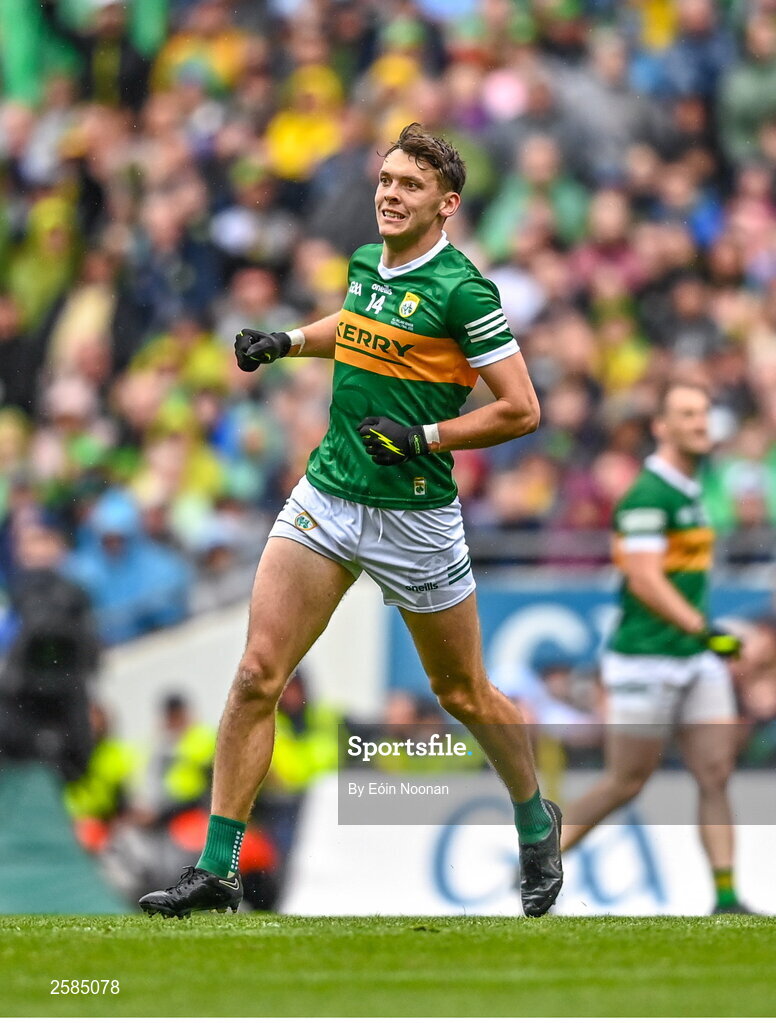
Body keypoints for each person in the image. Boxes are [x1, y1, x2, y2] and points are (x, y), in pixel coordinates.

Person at [139, 123, 562, 919]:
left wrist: (425, 436)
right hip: (328, 495)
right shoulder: (368, 263)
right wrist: (289, 340)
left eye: (410, 185)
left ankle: (535, 819)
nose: (391, 193)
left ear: (448, 205)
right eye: (387, 179)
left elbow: (522, 408)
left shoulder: (466, 291)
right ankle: (217, 867)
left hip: (416, 517)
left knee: (464, 693)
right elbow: (357, 326)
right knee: (257, 672)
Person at [559, 382, 752, 914]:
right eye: (687, 415)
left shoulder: (692, 488)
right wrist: (703, 628)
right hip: (646, 658)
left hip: (694, 658)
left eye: (705, 414)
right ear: (661, 428)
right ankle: (536, 861)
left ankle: (727, 897)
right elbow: (643, 579)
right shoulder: (647, 494)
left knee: (715, 774)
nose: (700, 424)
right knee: (625, 782)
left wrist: (701, 639)